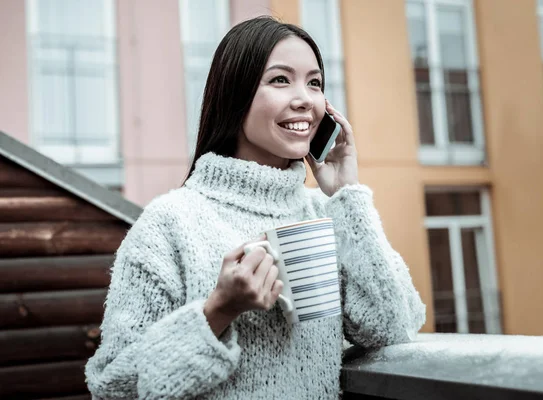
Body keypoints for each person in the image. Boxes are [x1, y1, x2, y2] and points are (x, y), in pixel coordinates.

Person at [85, 16, 426, 400]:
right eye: (280, 80)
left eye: (314, 83)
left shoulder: (327, 213)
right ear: (235, 96)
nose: (305, 99)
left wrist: (348, 195)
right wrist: (218, 310)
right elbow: (111, 387)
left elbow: (393, 329)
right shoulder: (169, 223)